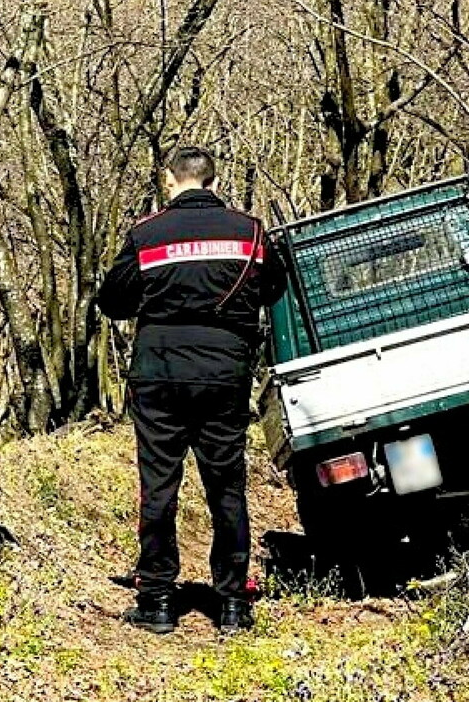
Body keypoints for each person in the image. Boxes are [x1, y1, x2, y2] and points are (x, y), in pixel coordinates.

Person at [96, 147, 289, 635]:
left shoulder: (146, 233)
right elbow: (275, 287)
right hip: (225, 371)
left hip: (159, 369)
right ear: (212, 179)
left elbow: (112, 301)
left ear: (170, 179)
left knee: (159, 483)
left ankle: (157, 598)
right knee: (226, 486)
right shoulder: (250, 232)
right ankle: (233, 604)